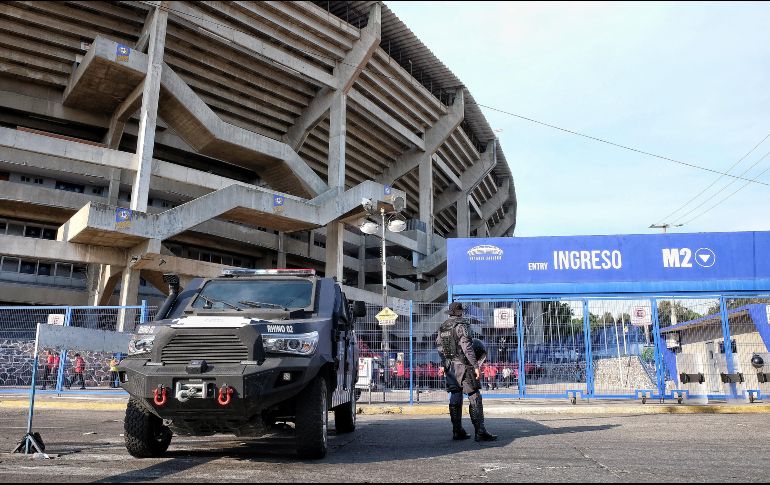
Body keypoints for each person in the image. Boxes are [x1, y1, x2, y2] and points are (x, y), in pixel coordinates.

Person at [436, 302, 497, 442]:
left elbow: (439, 348)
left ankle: (457, 431)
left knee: (455, 395)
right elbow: (467, 347)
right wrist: (475, 365)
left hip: (450, 366)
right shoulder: (462, 325)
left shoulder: (442, 327)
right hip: (464, 365)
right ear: (460, 312)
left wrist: (444, 364)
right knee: (474, 396)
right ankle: (480, 431)